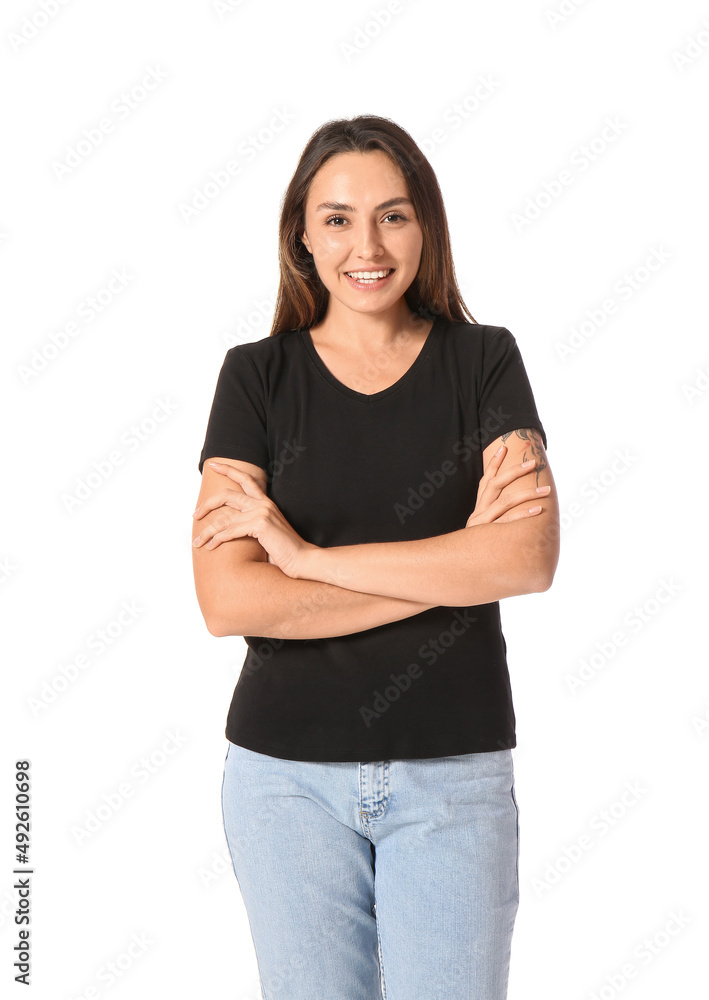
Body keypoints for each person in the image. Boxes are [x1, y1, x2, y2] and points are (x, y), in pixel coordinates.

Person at [192, 114, 559, 1000]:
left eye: (393, 216)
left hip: (453, 776)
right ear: (303, 238)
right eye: (337, 219)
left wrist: (306, 558)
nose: (367, 244)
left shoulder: (482, 361)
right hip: (283, 784)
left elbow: (525, 559)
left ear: (424, 227)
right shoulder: (255, 378)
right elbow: (227, 601)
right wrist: (451, 566)